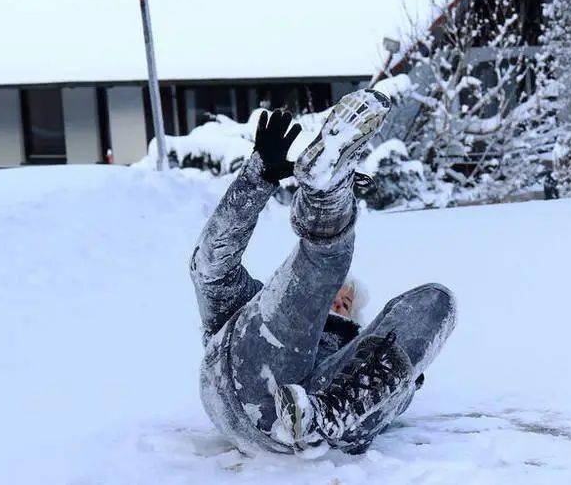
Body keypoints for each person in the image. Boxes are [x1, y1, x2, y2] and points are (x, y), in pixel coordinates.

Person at [190, 89, 457, 455]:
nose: (341, 302)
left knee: (438, 300)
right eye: (339, 295)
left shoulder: (351, 350)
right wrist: (258, 177)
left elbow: (379, 418)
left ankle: (322, 416)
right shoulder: (257, 305)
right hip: (243, 368)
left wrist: (401, 376)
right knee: (324, 263)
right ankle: (327, 192)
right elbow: (209, 268)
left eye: (348, 303)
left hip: (309, 413)